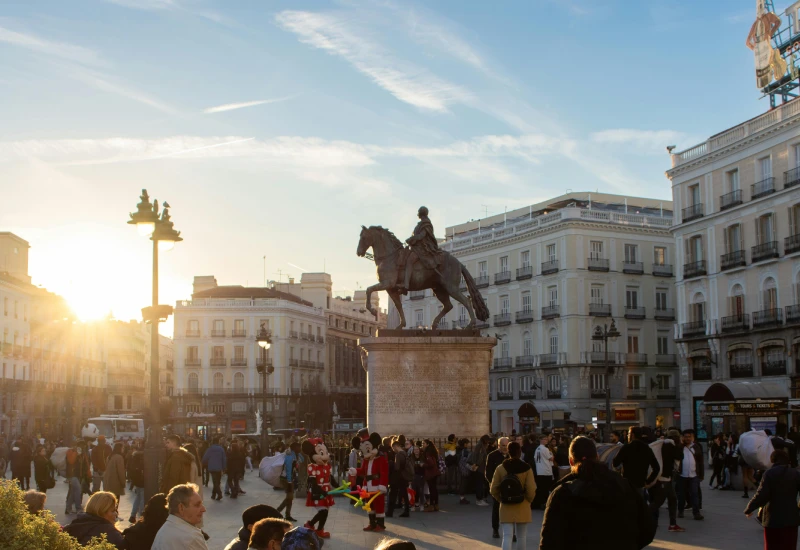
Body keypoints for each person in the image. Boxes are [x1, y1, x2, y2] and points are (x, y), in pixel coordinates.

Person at [539, 436, 655, 550]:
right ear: (597, 457)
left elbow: (549, 542)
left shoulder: (562, 494)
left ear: (571, 461)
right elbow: (647, 529)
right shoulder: (624, 486)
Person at [744, 449, 800, 549]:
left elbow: (761, 494)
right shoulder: (795, 474)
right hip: (791, 519)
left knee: (772, 546)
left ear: (773, 460)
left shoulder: (769, 474)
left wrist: (749, 508)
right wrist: (798, 509)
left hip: (772, 519)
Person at [489, 441, 535, 550]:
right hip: (522, 504)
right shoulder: (527, 468)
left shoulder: (501, 468)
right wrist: (529, 500)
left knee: (507, 536)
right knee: (522, 536)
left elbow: (493, 488)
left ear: (508, 452)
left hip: (506, 504)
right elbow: (531, 489)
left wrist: (501, 499)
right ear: (519, 451)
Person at [152, 483, 207, 550]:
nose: (203, 509)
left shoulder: (164, 530)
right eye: (197, 505)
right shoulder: (191, 537)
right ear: (181, 508)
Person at [649, 429, 684, 532]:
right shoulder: (670, 446)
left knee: (672, 500)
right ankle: (640, 519)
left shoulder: (662, 444)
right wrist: (679, 445)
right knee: (657, 503)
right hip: (663, 478)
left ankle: (673, 524)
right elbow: (680, 456)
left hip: (664, 478)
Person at [612, 426, 660, 494]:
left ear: (633, 435)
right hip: (640, 484)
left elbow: (615, 463)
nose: (628, 436)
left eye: (628, 434)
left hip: (627, 484)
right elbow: (656, 468)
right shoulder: (647, 449)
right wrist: (648, 481)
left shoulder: (626, 448)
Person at [677, 429, 704, 521]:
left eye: (689, 436)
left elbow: (700, 462)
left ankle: (696, 513)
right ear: (683, 437)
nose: (687, 438)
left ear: (692, 437)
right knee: (681, 495)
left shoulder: (696, 447)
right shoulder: (680, 447)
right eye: (686, 437)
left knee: (694, 494)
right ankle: (680, 511)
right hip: (682, 475)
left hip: (694, 475)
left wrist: (701, 475)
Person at [485, 437, 509, 538]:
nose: (505, 448)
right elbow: (488, 473)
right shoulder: (492, 456)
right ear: (499, 446)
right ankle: (495, 529)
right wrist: (493, 484)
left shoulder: (511, 455)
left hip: (510, 486)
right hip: (497, 486)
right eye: (503, 446)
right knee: (496, 508)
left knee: (510, 509)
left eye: (507, 446)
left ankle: (511, 531)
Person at [65, 441, 92, 515]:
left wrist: (88, 475)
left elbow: (86, 465)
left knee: (73, 492)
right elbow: (71, 462)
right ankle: (78, 509)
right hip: (72, 475)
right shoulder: (72, 452)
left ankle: (68, 509)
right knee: (78, 490)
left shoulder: (83, 455)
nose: (82, 448)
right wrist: (76, 453)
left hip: (79, 476)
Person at [387, 436, 411, 518]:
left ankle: (390, 512)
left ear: (395, 446)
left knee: (393, 493)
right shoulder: (405, 453)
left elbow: (397, 467)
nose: (393, 450)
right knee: (404, 493)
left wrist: (391, 463)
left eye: (393, 448)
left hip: (398, 477)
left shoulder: (398, 455)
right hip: (404, 476)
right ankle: (407, 510)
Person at [277, 442, 300, 522]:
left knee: (290, 498)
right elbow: (288, 469)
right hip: (286, 479)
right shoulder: (290, 456)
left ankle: (287, 515)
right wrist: (289, 481)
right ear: (294, 448)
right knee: (289, 497)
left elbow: (302, 459)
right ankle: (277, 512)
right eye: (298, 447)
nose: (300, 449)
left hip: (290, 478)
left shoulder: (294, 455)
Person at [531, 434, 554, 510]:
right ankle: (544, 503)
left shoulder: (537, 449)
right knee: (546, 489)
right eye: (545, 439)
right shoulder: (545, 449)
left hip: (539, 470)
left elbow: (535, 458)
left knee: (540, 488)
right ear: (541, 440)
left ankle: (538, 503)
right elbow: (551, 458)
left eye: (547, 439)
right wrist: (551, 453)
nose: (546, 441)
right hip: (546, 471)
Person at [202, 436, 227, 501]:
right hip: (219, 468)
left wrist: (205, 463)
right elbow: (224, 459)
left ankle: (219, 494)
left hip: (212, 467)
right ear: (218, 442)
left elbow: (205, 458)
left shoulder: (210, 449)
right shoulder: (221, 449)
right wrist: (224, 467)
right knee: (217, 482)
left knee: (215, 482)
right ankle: (213, 495)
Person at [467, 435, 490, 506]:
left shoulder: (480, 445)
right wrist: (476, 464)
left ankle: (480, 499)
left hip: (479, 467)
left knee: (480, 484)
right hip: (479, 468)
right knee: (479, 484)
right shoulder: (480, 446)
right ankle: (479, 499)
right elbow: (480, 456)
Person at [128, 441, 146, 523]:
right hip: (143, 480)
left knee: (138, 497)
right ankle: (142, 516)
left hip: (136, 480)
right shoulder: (144, 455)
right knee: (142, 498)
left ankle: (132, 515)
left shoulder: (134, 455)